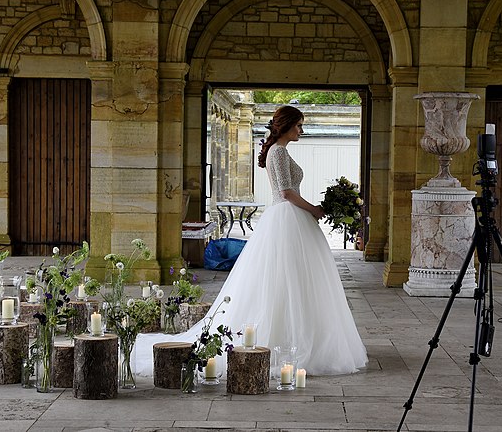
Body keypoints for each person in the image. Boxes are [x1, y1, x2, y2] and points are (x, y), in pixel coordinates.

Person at [133, 105, 367, 376]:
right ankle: (282, 340)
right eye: (299, 125)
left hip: (292, 219)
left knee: (297, 280)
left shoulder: (281, 151)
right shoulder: (277, 152)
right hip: (287, 217)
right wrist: (314, 209)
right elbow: (286, 192)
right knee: (284, 280)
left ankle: (299, 337)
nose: (302, 130)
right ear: (287, 125)